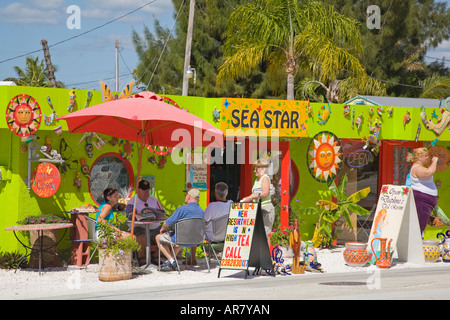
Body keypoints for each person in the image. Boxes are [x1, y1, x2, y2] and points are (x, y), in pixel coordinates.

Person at [156, 188, 204, 271]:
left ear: (188, 196)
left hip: (181, 239)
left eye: (186, 195)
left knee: (158, 237)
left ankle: (171, 261)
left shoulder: (182, 209)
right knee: (179, 239)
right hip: (195, 240)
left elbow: (167, 223)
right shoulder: (201, 211)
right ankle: (169, 261)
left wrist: (163, 229)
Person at [126, 179, 165, 265]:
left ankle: (156, 258)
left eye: (148, 190)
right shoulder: (133, 201)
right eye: (144, 190)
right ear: (138, 191)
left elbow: (162, 212)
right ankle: (142, 259)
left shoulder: (154, 199)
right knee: (142, 236)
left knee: (161, 234)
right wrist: (139, 216)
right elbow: (129, 215)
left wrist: (156, 213)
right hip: (138, 227)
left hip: (154, 227)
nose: (146, 192)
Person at [241, 158, 275, 241]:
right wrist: (247, 198)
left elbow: (265, 193)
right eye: (254, 169)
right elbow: (255, 194)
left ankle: (267, 254)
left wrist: (251, 197)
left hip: (265, 209)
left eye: (256, 169)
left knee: (265, 233)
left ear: (263, 169)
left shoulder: (265, 178)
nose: (254, 171)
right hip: (258, 208)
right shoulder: (257, 180)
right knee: (258, 234)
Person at [407, 147, 439, 235]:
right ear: (419, 157)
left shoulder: (420, 167)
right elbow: (429, 172)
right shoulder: (417, 168)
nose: (427, 157)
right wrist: (434, 161)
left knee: (421, 223)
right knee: (419, 225)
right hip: (422, 200)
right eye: (425, 156)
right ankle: (414, 246)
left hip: (426, 201)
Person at [203, 182, 232, 254]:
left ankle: (192, 258)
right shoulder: (231, 204)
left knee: (195, 228)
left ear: (215, 193)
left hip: (212, 236)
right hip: (226, 236)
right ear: (227, 193)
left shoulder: (212, 206)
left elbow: (203, 221)